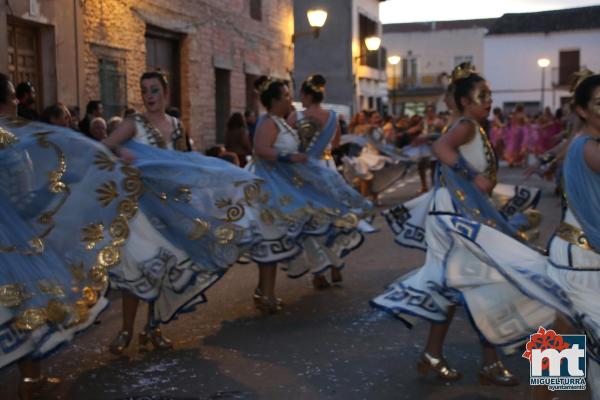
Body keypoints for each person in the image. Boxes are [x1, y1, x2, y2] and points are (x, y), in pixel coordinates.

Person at [373, 63, 528, 386]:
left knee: (459, 286)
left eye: (489, 95)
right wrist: (477, 178)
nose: (488, 101)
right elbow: (441, 149)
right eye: (480, 96)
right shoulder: (467, 126)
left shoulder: (471, 125)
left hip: (469, 222)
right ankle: (549, 384)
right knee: (491, 288)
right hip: (469, 224)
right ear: (463, 101)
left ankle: (439, 355)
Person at [102, 71, 269, 354]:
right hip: (140, 207)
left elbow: (183, 165)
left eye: (154, 90)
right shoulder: (134, 123)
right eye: (144, 90)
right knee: (136, 265)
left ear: (166, 94)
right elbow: (104, 147)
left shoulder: (178, 126)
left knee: (167, 266)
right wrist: (121, 152)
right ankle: (126, 331)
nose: (149, 96)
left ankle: (152, 329)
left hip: (171, 206)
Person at [0, 72, 122, 399]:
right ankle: (29, 382)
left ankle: (30, 378)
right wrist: (57, 188)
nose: (17, 100)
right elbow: (23, 203)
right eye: (12, 95)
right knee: (30, 306)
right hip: (11, 242)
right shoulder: (8, 145)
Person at [247, 75, 373, 313]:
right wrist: (289, 157)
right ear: (274, 101)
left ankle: (266, 292)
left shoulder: (282, 121)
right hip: (271, 189)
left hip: (288, 184)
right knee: (272, 240)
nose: (290, 100)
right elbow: (261, 150)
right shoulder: (269, 122)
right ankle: (266, 294)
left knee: (288, 235)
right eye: (285, 96)